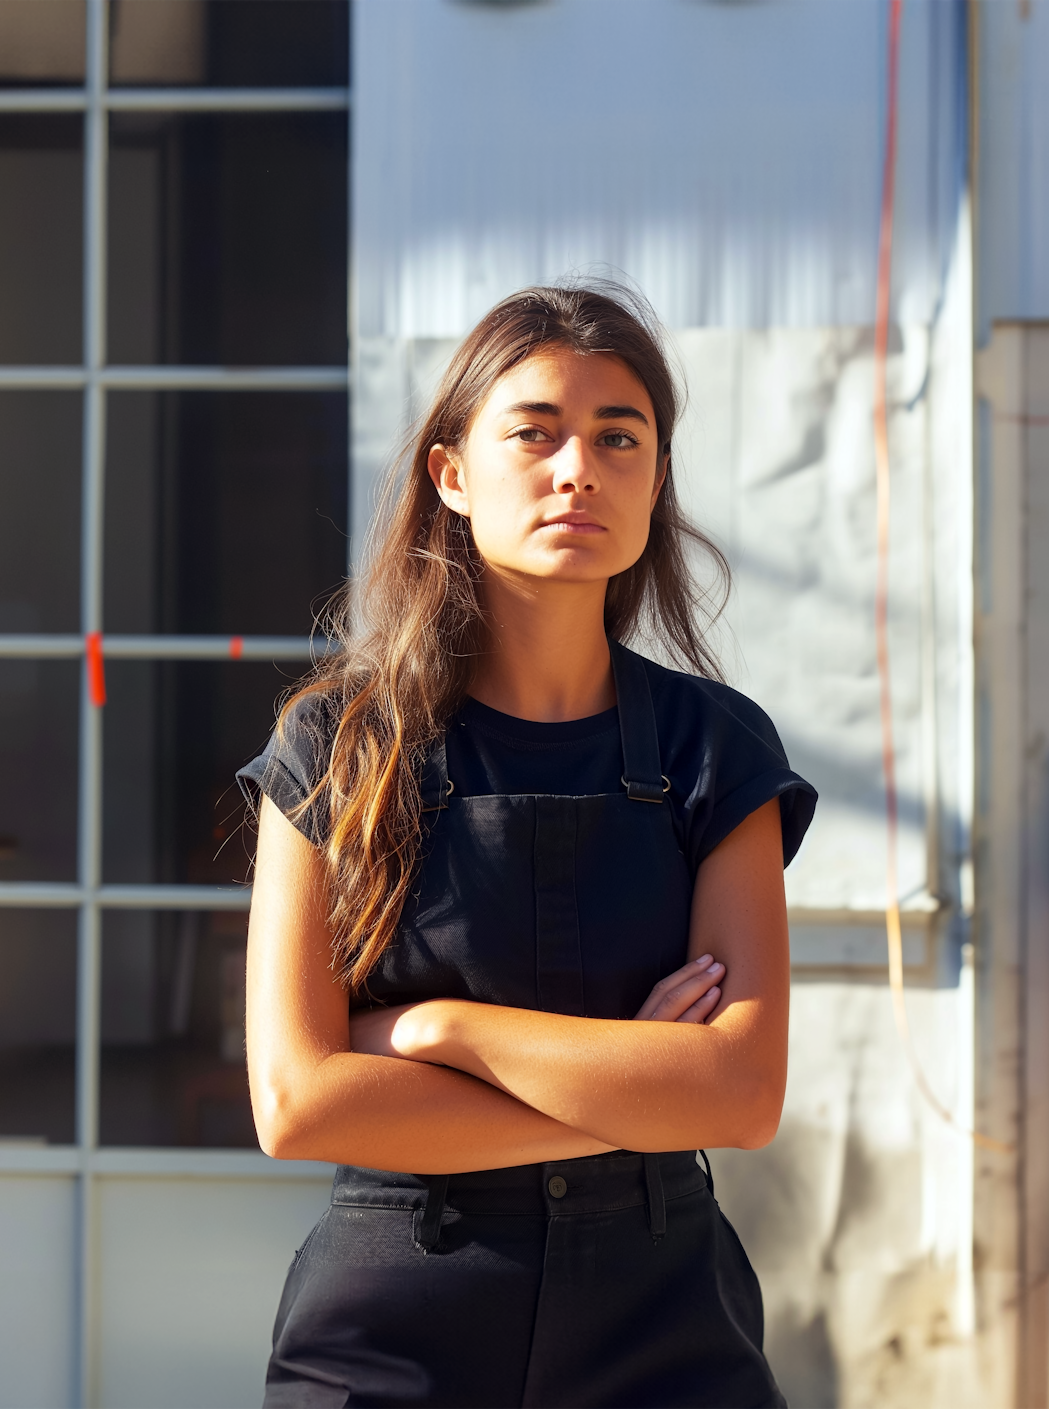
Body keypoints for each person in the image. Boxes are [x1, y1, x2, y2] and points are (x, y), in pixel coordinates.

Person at [239, 281, 816, 1409]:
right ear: (451, 474)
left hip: (666, 1321)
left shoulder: (719, 748)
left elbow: (740, 1093)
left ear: (655, 479)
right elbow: (300, 1100)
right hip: (391, 1319)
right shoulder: (338, 742)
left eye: (618, 437)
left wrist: (436, 1030)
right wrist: (631, 1082)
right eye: (535, 432)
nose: (577, 469)